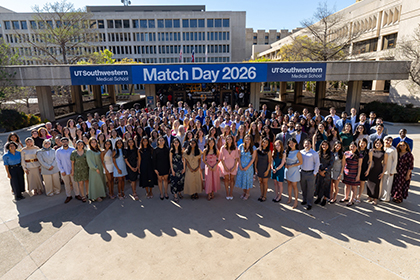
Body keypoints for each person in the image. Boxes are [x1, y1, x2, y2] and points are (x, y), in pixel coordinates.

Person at [56, 137, 82, 204]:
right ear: (61, 142)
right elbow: (58, 162)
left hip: (72, 170)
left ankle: (77, 194)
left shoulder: (73, 149)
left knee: (75, 183)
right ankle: (69, 195)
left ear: (68, 142)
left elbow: (75, 160)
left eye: (66, 141)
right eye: (63, 141)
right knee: (66, 184)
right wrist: (61, 170)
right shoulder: (58, 151)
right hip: (64, 170)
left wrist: (73, 169)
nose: (65, 143)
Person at [299, 139, 319, 210]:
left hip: (311, 173)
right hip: (302, 172)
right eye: (305, 144)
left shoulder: (314, 153)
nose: (307, 145)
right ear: (303, 145)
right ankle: (304, 200)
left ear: (311, 145)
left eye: (308, 143)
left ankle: (309, 203)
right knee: (303, 188)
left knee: (310, 189)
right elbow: (298, 161)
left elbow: (317, 163)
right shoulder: (301, 152)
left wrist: (315, 172)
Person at [365, 139, 387, 205]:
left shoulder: (384, 153)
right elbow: (370, 161)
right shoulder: (372, 151)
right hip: (371, 169)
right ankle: (369, 196)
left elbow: (385, 163)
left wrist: (383, 172)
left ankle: (375, 198)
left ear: (382, 144)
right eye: (377, 143)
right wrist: (368, 170)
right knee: (369, 183)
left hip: (378, 169)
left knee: (376, 184)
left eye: (380, 143)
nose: (378, 144)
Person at [235, 134, 257, 200]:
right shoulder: (241, 146)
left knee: (247, 180)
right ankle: (244, 192)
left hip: (249, 167)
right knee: (242, 179)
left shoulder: (253, 148)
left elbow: (253, 158)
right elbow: (238, 157)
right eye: (246, 139)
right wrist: (240, 165)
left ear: (251, 140)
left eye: (249, 139)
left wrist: (247, 167)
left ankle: (247, 193)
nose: (247, 140)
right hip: (241, 165)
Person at [341, 141, 361, 207]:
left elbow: (359, 166)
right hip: (346, 172)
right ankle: (346, 197)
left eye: (354, 146)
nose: (352, 148)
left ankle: (351, 200)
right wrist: (342, 172)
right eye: (351, 146)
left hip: (354, 173)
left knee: (354, 187)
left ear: (356, 147)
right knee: (346, 186)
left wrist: (358, 175)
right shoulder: (346, 153)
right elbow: (343, 163)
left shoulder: (359, 155)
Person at [219, 135, 239, 200]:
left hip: (233, 164)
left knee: (232, 179)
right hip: (225, 164)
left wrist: (234, 166)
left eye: (230, 139)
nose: (229, 140)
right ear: (226, 140)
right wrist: (224, 167)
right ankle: (227, 193)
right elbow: (221, 158)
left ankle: (231, 193)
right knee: (226, 179)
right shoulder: (223, 148)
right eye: (228, 139)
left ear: (232, 140)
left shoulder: (235, 147)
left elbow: (236, 158)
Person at [285, 138, 303, 209]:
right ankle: (290, 198)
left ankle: (296, 200)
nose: (291, 144)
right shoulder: (287, 151)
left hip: (294, 170)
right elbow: (285, 160)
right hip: (288, 170)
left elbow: (301, 162)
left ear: (295, 143)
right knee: (289, 184)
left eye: (292, 143)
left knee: (294, 185)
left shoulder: (298, 152)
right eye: (289, 143)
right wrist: (286, 164)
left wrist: (292, 165)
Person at [314, 141, 334, 207]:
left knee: (326, 186)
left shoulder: (331, 154)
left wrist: (324, 171)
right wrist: (319, 171)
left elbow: (331, 164)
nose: (324, 146)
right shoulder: (318, 153)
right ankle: (319, 198)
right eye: (323, 145)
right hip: (319, 172)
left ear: (328, 146)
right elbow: (316, 162)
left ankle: (325, 199)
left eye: (326, 145)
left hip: (326, 173)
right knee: (319, 184)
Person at [254, 137, 272, 202]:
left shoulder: (269, 151)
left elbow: (270, 161)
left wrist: (267, 170)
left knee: (265, 182)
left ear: (268, 144)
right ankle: (261, 195)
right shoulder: (257, 150)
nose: (264, 144)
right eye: (264, 142)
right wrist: (255, 168)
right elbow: (256, 160)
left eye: (266, 143)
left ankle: (264, 195)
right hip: (259, 168)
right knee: (260, 182)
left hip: (265, 168)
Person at [381, 136, 398, 202]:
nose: (388, 142)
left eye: (390, 141)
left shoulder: (393, 149)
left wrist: (392, 170)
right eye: (387, 140)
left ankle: (386, 198)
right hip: (381, 168)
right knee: (381, 184)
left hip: (389, 169)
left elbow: (395, 161)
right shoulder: (381, 148)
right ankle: (380, 196)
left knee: (388, 184)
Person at [169, 138, 185, 203]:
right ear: (173, 143)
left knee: (180, 181)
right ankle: (175, 195)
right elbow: (170, 161)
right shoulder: (171, 151)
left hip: (180, 168)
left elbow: (183, 160)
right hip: (174, 168)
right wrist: (172, 170)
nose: (176, 144)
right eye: (174, 142)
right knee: (174, 182)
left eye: (177, 142)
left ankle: (179, 193)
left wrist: (184, 168)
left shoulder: (181, 150)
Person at [357, 138, 370, 202]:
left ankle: (359, 196)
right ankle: (354, 195)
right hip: (356, 169)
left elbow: (370, 161)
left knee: (362, 183)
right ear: (359, 143)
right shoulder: (356, 151)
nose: (362, 144)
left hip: (364, 168)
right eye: (361, 143)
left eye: (364, 143)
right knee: (355, 183)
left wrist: (368, 170)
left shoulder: (368, 151)